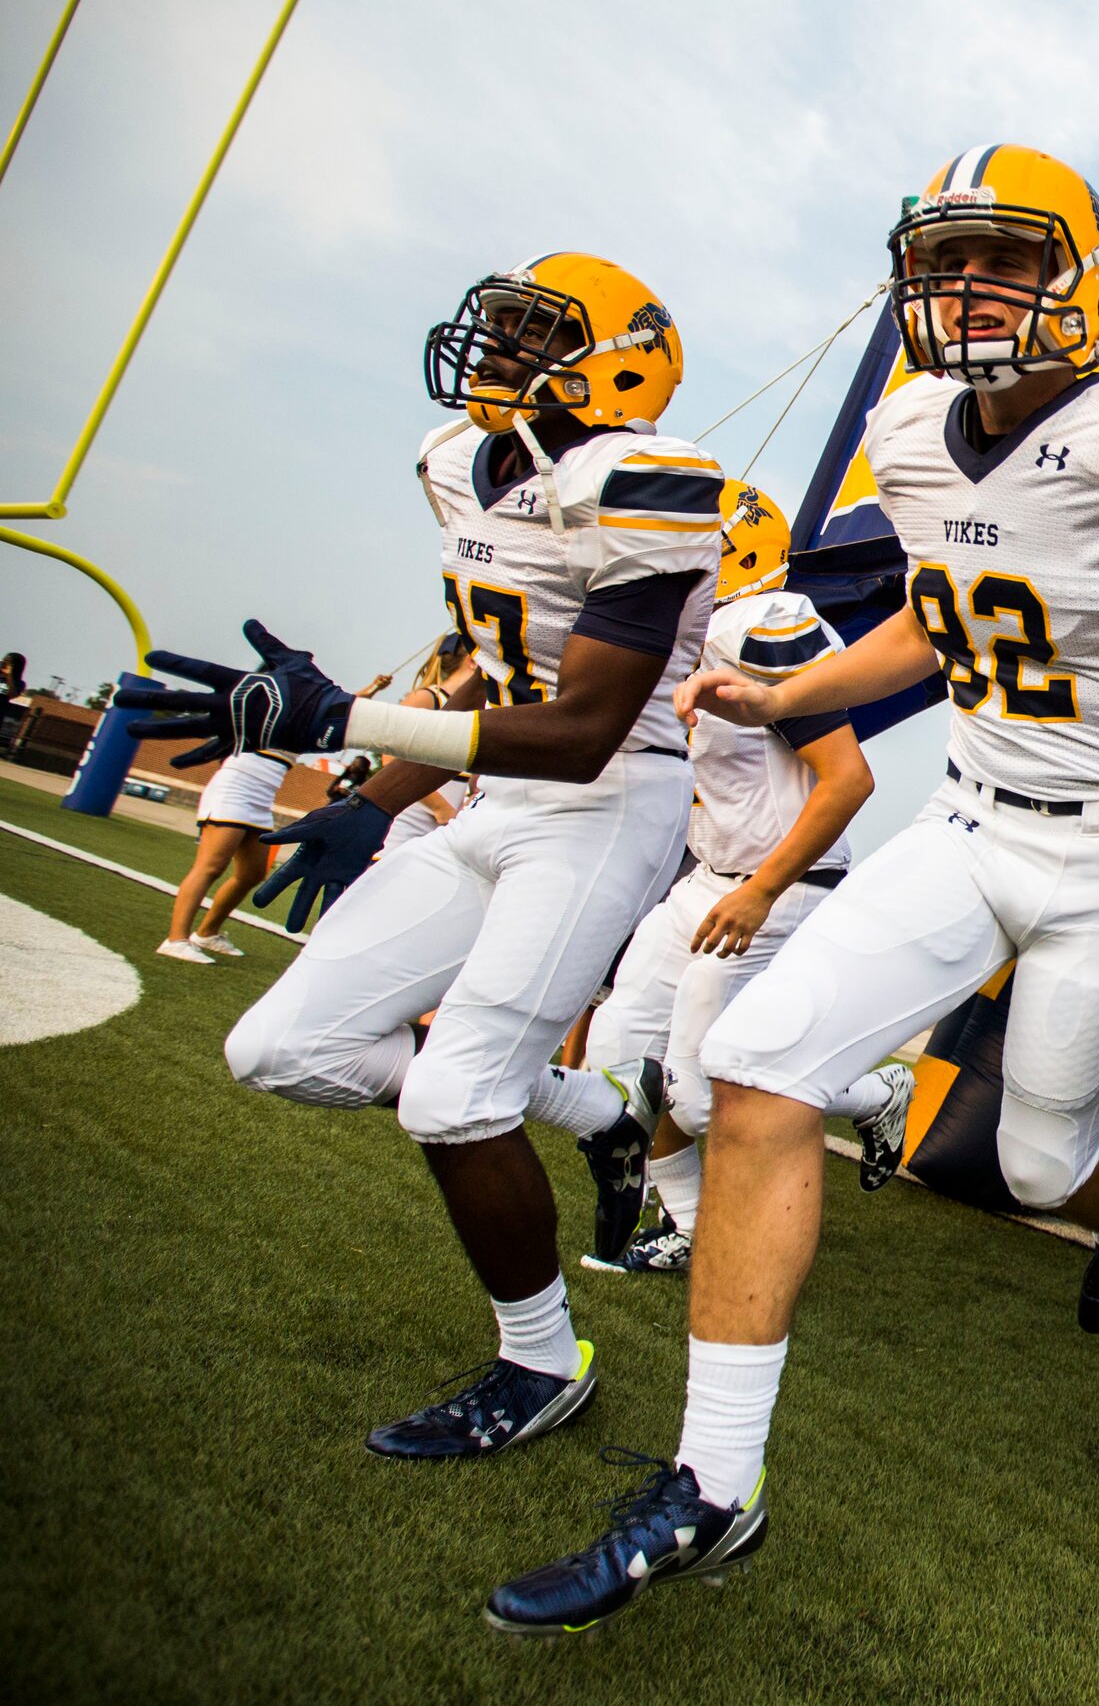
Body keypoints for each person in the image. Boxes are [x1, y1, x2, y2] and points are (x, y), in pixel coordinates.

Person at [484, 144, 1099, 1635]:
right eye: (944, 260)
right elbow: (939, 612)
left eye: (1001, 259)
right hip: (966, 820)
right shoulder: (906, 429)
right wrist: (793, 695)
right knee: (753, 1066)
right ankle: (713, 1482)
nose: (965, 290)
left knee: (1042, 1166)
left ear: (1083, 274)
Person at [117, 253, 721, 1461]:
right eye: (497, 327)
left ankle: (541, 1361)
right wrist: (372, 796)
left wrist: (346, 721)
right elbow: (490, 668)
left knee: (453, 1097)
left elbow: (583, 728)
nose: (493, 352)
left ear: (615, 361)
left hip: (607, 802)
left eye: (529, 334)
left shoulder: (642, 479)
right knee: (280, 1047)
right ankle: (592, 1112)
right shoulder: (458, 462)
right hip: (501, 792)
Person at [568, 479, 914, 1276]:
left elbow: (847, 779)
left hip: (781, 885)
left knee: (695, 1090)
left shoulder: (762, 624)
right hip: (708, 875)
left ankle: (870, 1096)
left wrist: (760, 890)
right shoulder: (692, 634)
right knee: (618, 1056)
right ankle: (692, 1224)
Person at [156, 743, 297, 962]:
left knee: (252, 874)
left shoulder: (313, 718)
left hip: (264, 796)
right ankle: (175, 940)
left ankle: (206, 934)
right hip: (235, 788)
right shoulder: (272, 709)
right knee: (211, 866)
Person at [381, 634, 482, 853]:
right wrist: (439, 807)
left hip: (444, 824)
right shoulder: (427, 698)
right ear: (472, 661)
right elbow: (389, 760)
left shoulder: (476, 713)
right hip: (406, 819)